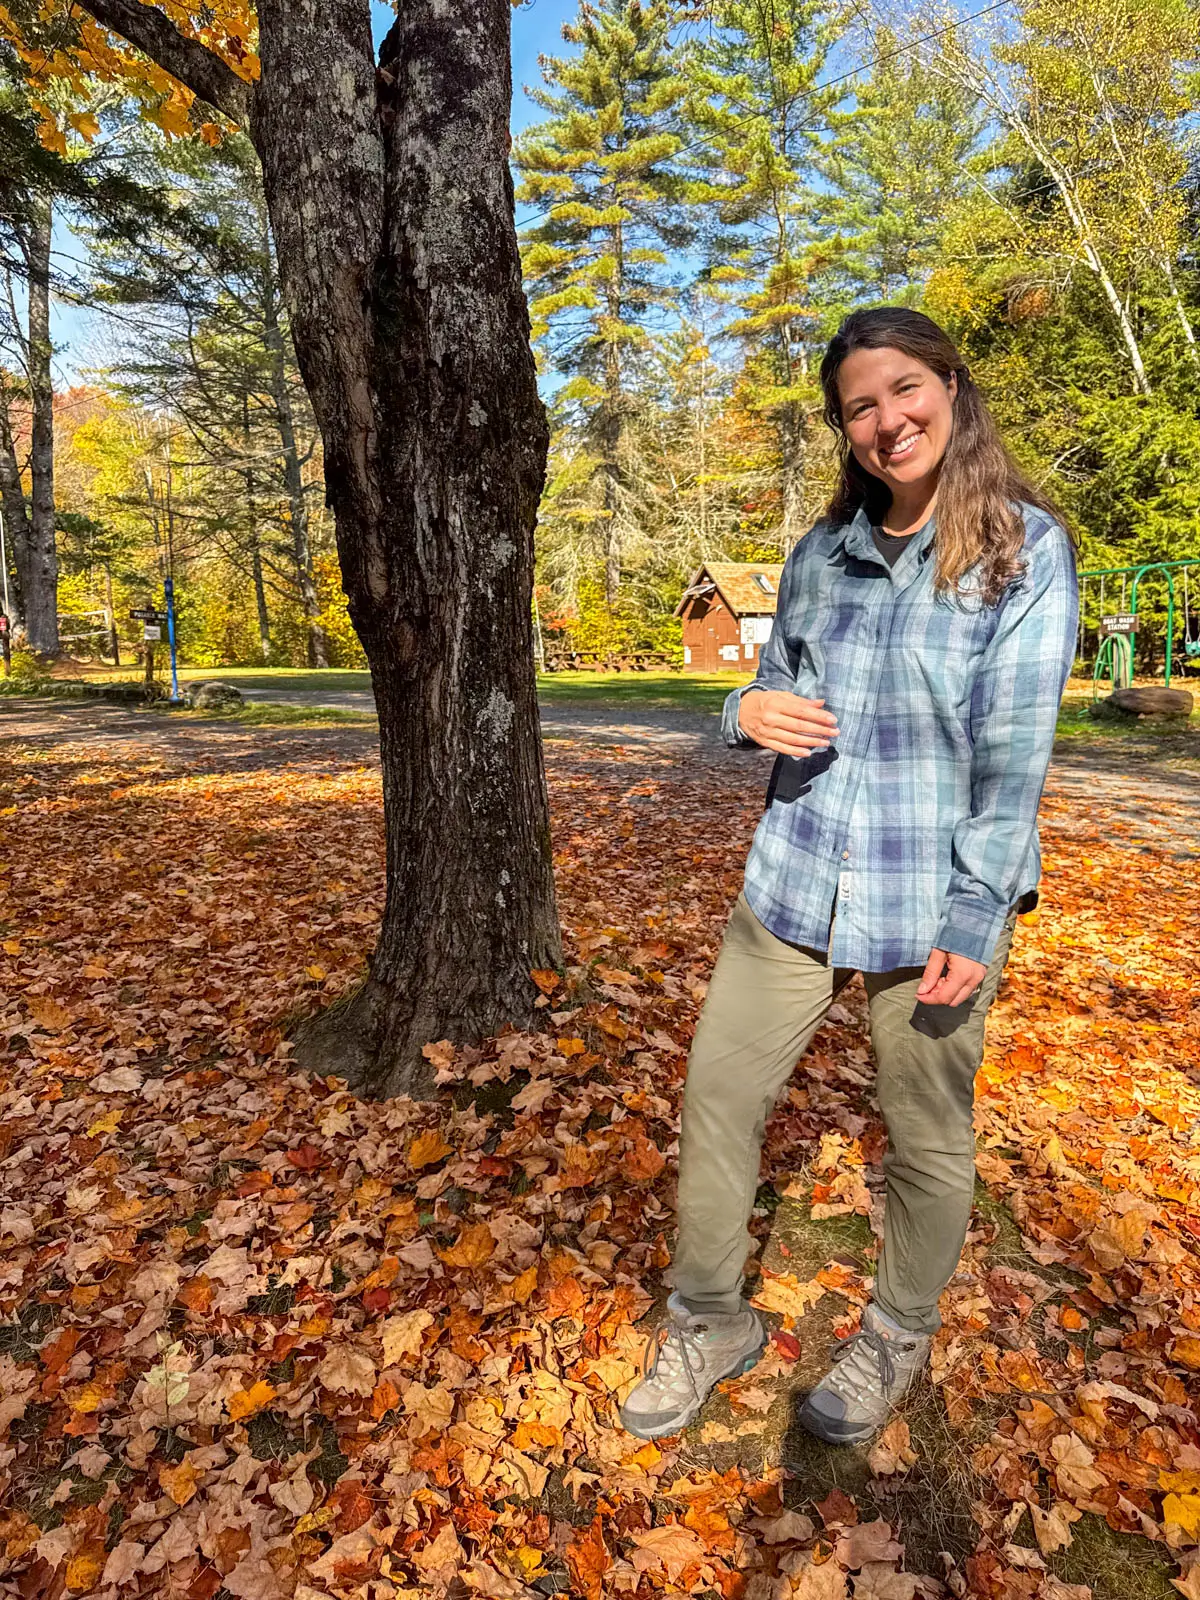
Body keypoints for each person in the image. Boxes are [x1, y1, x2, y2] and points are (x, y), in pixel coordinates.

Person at [619, 307, 1079, 1446]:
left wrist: (978, 916)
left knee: (926, 1136)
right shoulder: (820, 554)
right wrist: (739, 711)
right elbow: (768, 685)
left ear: (953, 390)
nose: (886, 420)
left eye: (904, 390)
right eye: (859, 406)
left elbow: (1013, 764)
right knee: (720, 1092)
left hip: (934, 905)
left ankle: (896, 1330)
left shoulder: (1022, 552)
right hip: (794, 880)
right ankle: (709, 1317)